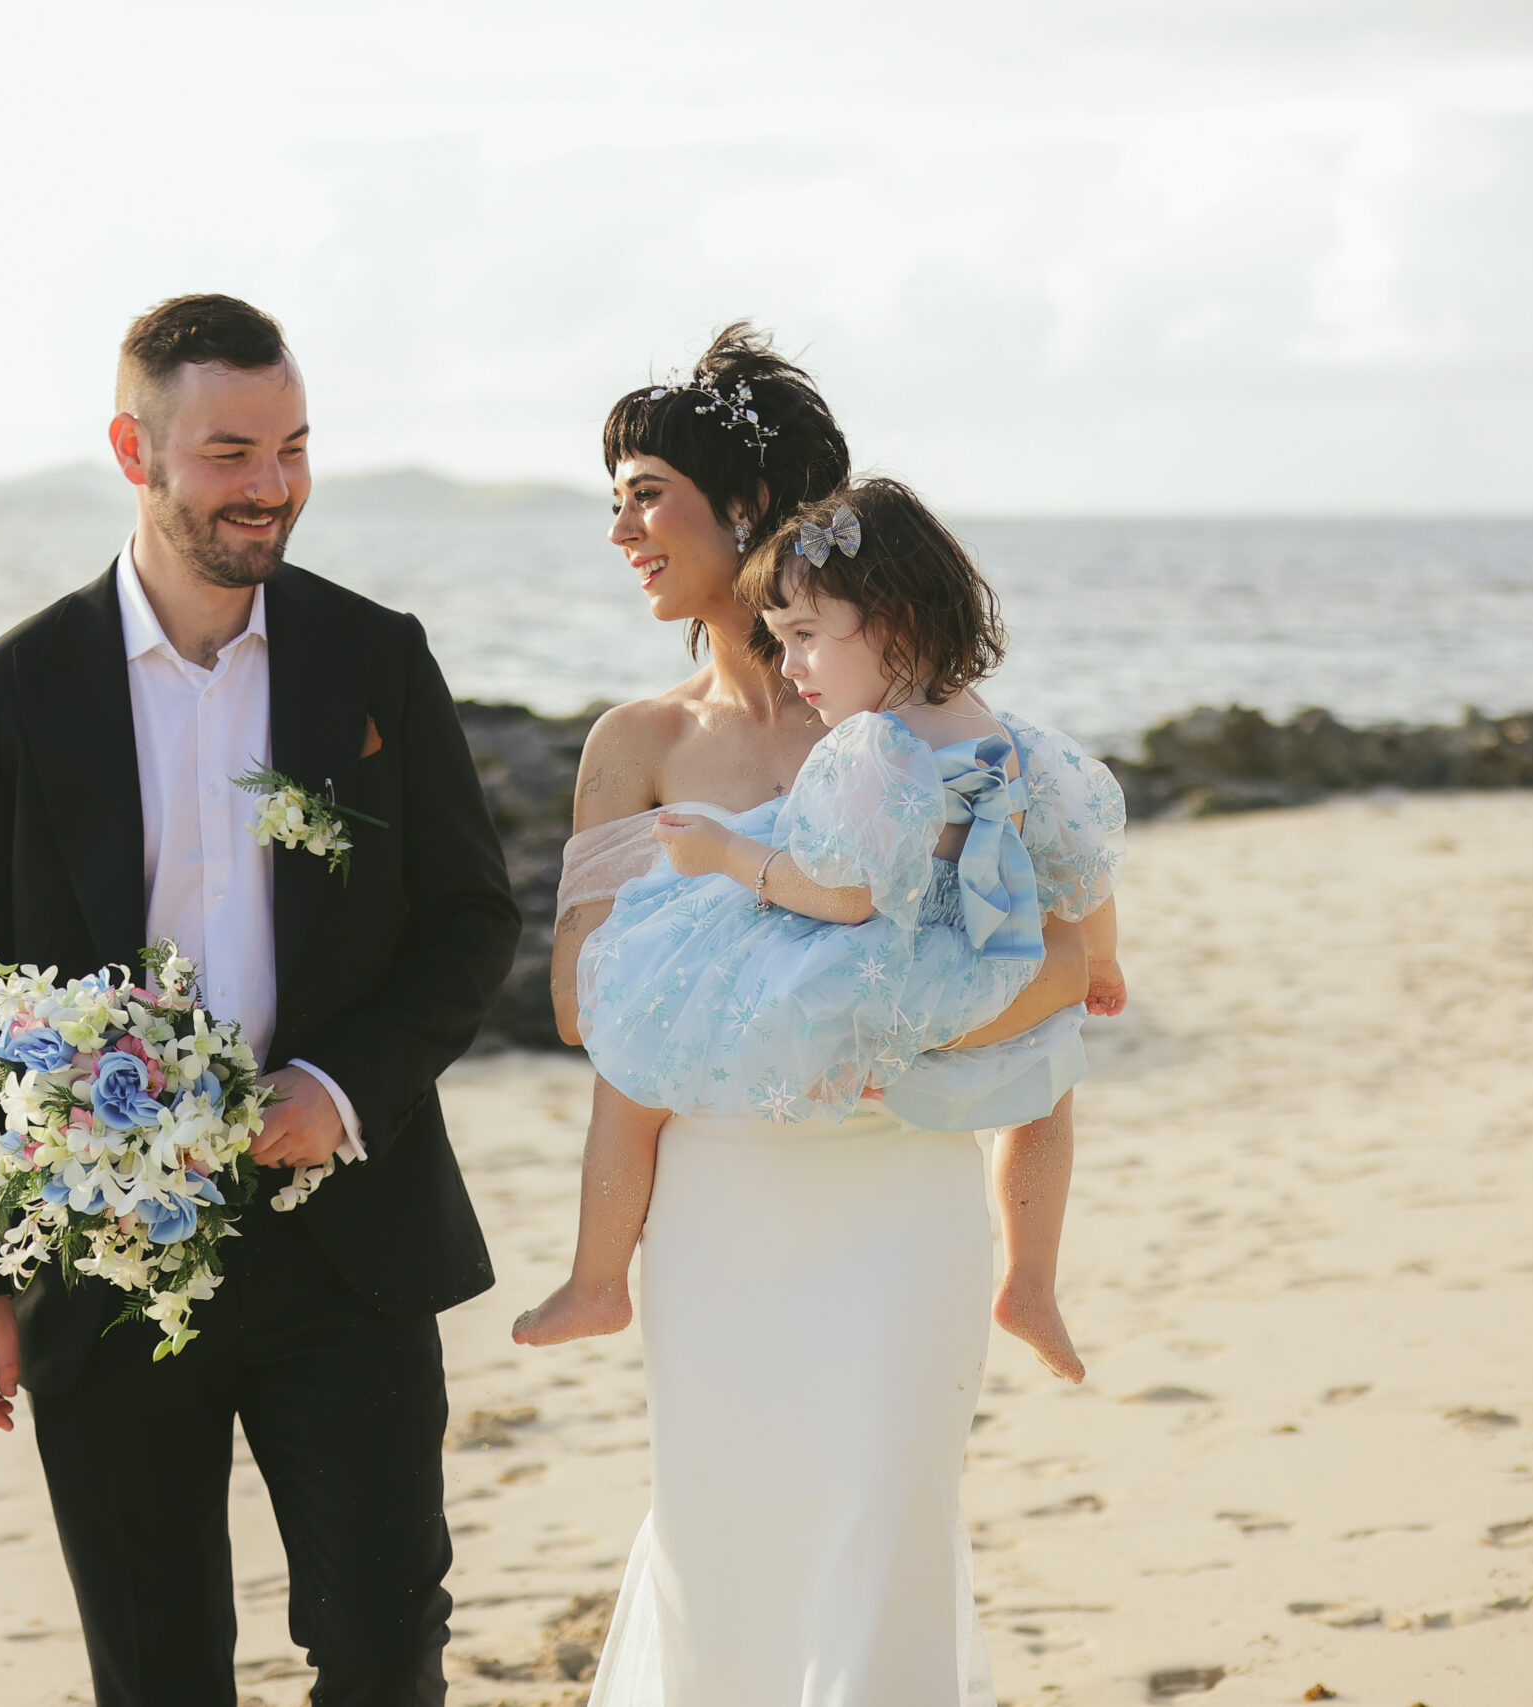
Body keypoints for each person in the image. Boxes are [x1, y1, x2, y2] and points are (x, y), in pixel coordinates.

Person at [0, 294, 520, 1707]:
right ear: (137, 449)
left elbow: (472, 917)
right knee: (158, 1668)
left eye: (294, 446)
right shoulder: (4, 694)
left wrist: (346, 1086)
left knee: (385, 1644)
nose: (273, 485)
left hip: (347, 1245)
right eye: (232, 450)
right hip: (102, 1257)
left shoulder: (376, 659)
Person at [538, 329, 1104, 1705]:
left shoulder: (920, 730)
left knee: (885, 1526)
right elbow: (577, 997)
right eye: (613, 495)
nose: (621, 526)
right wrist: (780, 939)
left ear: (751, 511)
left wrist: (895, 1034)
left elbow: (1070, 952)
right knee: (723, 1531)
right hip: (719, 1203)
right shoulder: (637, 743)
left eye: (648, 491)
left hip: (900, 1183)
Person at [513, 479, 1128, 1389]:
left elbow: (843, 896)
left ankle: (597, 1277)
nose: (791, 663)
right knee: (1047, 1087)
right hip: (994, 959)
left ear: (899, 622)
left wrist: (727, 854)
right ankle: (1029, 1280)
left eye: (805, 635)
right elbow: (1079, 864)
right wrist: (1101, 961)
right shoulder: (1015, 739)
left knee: (645, 1037)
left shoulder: (875, 750)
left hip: (892, 967)